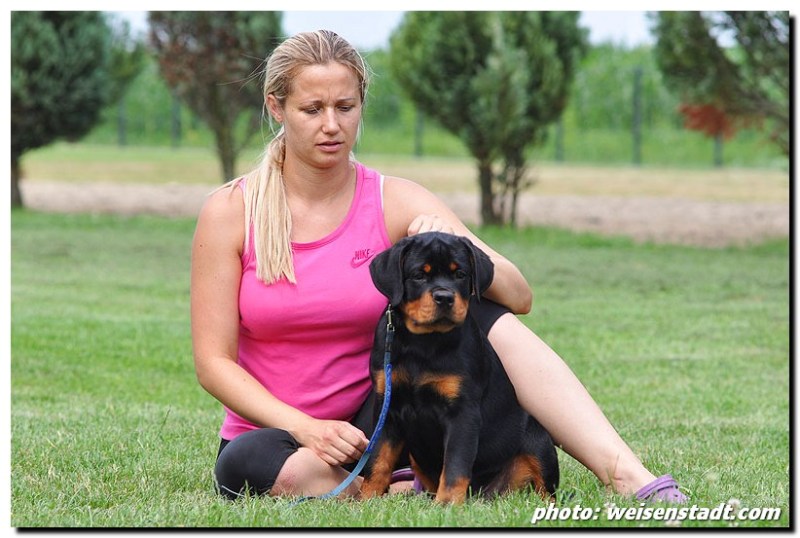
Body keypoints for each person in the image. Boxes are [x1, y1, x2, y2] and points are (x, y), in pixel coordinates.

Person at [190, 29, 686, 503]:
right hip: (283, 438)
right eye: (312, 109)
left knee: (485, 315)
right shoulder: (231, 211)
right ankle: (405, 488)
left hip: (385, 422)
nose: (331, 125)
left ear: (362, 105)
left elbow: (518, 293)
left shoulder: (394, 200)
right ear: (277, 107)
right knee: (245, 464)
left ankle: (626, 473)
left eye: (346, 107)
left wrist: (454, 237)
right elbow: (213, 364)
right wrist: (306, 428)